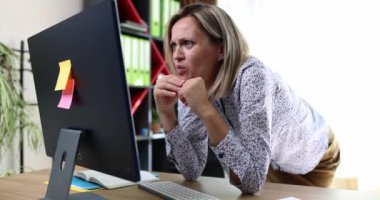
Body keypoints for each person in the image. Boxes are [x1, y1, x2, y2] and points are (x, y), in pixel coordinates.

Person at [153, 3, 340, 194]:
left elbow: (251, 181)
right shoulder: (192, 83)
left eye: (187, 43)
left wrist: (205, 109)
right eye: (173, 45)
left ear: (222, 49)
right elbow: (191, 170)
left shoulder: (252, 76)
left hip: (314, 158)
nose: (176, 55)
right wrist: (166, 113)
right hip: (264, 162)